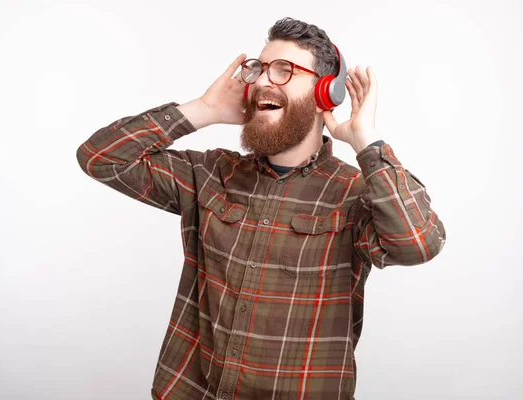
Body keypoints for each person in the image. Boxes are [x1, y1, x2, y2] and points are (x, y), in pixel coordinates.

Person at [77, 17, 446, 400]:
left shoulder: (354, 194)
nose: (263, 81)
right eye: (260, 69)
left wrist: (367, 143)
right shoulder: (209, 173)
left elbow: (417, 243)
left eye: (285, 70)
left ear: (325, 94)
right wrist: (203, 109)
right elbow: (100, 158)